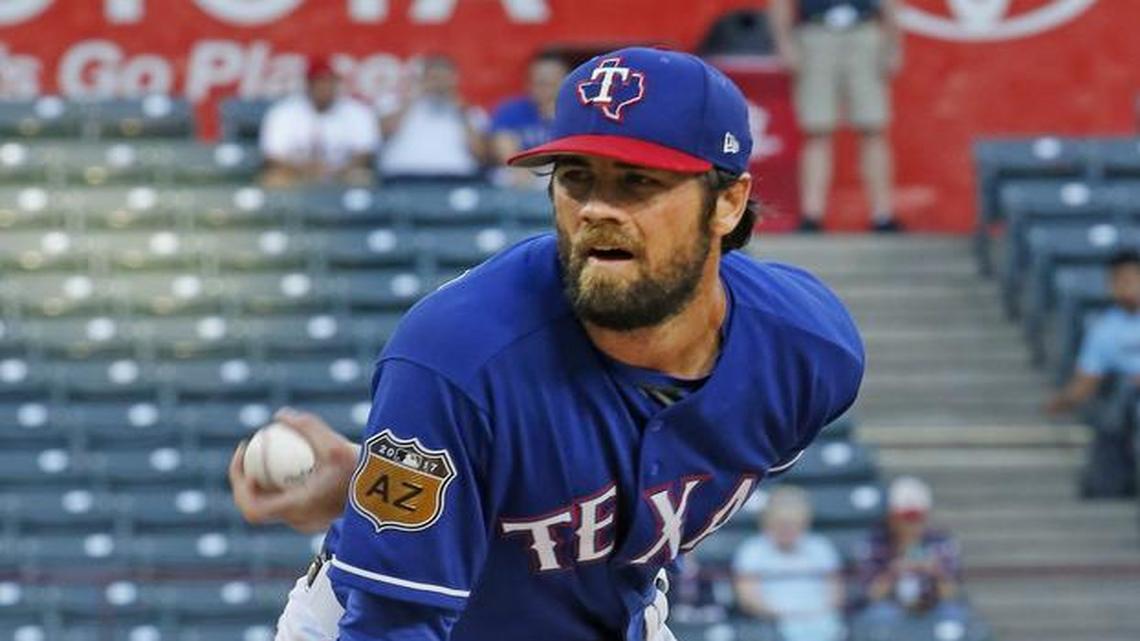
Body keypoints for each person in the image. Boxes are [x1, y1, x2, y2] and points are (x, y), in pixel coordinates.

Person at [230, 46, 865, 641]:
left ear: (728, 202)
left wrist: (403, 483)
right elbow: (392, 625)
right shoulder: (456, 357)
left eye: (638, 182)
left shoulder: (808, 353)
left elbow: (608, 472)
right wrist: (407, 481)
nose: (596, 209)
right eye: (576, 178)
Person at [770, 0, 904, 232]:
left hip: (864, 33)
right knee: (816, 129)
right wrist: (784, 42)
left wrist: (894, 43)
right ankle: (812, 214)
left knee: (873, 127)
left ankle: (883, 213)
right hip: (816, 34)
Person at [732, 486, 844, 641]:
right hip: (771, 625)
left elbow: (836, 595)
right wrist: (788, 615)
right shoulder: (751, 550)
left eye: (794, 524)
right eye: (781, 523)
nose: (787, 530)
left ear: (804, 523)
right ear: (767, 522)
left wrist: (813, 615)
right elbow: (748, 600)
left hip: (821, 622)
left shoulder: (821, 547)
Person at [854, 476, 964, 625]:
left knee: (952, 614)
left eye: (918, 517)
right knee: (880, 615)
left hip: (931, 606)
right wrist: (894, 571)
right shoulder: (874, 543)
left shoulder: (941, 542)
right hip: (890, 607)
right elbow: (872, 596)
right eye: (906, 517)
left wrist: (935, 571)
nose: (912, 524)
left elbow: (951, 595)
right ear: (891, 518)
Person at [259, 57, 379, 187]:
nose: (325, 87)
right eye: (320, 82)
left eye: (330, 82)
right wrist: (304, 170)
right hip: (296, 173)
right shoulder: (284, 112)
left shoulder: (357, 111)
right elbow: (273, 155)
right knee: (274, 179)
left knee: (362, 177)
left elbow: (365, 153)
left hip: (341, 174)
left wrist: (337, 170)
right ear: (308, 84)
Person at [1047, 250, 1140, 415]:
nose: (1125, 286)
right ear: (1110, 285)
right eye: (1118, 280)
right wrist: (1061, 402)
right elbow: (1087, 381)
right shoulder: (1103, 331)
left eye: (1131, 279)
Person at [377, 55, 487, 180]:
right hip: (401, 177)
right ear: (422, 79)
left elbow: (481, 155)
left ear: (455, 81)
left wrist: (462, 114)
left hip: (456, 178)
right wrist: (413, 98)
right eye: (434, 78)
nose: (439, 84)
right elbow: (385, 132)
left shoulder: (471, 112)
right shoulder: (392, 104)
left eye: (445, 79)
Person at [488, 52, 569, 188]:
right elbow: (505, 152)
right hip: (522, 172)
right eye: (539, 82)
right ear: (529, 83)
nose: (544, 89)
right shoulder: (512, 109)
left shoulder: (576, 112)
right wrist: (524, 170)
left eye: (551, 83)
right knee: (503, 177)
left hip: (560, 171)